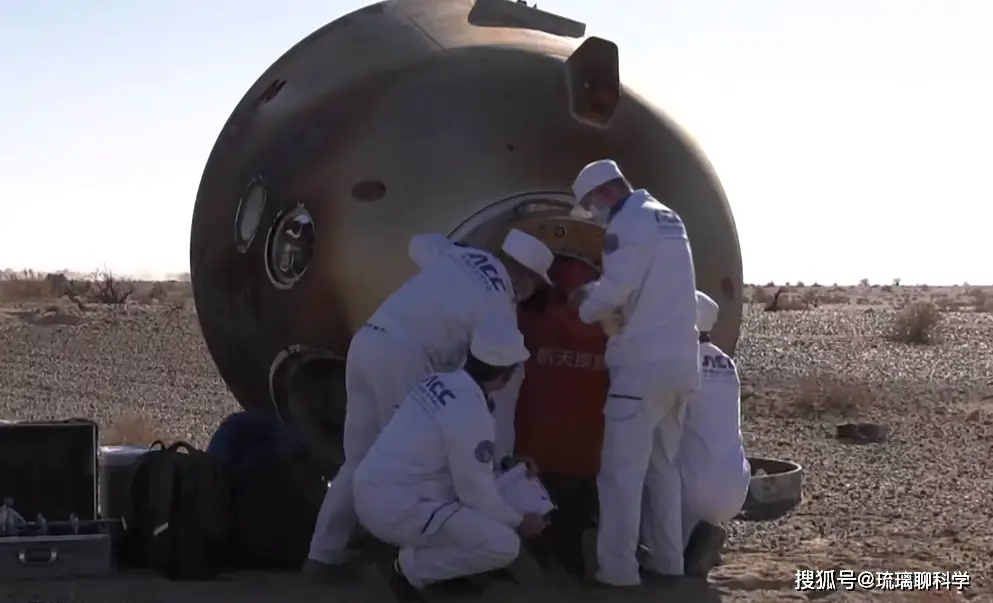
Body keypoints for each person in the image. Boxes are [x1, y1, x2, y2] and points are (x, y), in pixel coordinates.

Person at [306, 228, 553, 578]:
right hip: (403, 358)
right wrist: (502, 459)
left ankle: (322, 555)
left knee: (358, 458)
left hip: (367, 341)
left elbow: (417, 242)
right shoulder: (500, 306)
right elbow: (503, 390)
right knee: (408, 459)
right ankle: (403, 561)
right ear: (526, 283)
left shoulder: (459, 255)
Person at [567, 159, 700, 586]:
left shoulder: (627, 225)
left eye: (592, 206)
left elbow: (617, 289)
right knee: (664, 471)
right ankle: (668, 562)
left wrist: (583, 303)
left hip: (641, 371)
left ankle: (618, 572)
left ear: (604, 194)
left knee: (621, 476)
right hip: (680, 367)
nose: (595, 215)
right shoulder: (668, 216)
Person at [352, 324, 548, 601]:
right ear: (505, 376)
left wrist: (505, 464)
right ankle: (405, 571)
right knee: (503, 544)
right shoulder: (471, 410)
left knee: (494, 503)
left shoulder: (441, 381)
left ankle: (434, 573)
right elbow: (476, 494)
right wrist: (520, 521)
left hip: (381, 491)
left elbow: (455, 455)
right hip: (399, 507)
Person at [679, 291, 750, 577]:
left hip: (696, 490)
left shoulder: (683, 362)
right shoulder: (725, 363)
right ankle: (702, 537)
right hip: (736, 486)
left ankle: (673, 550)